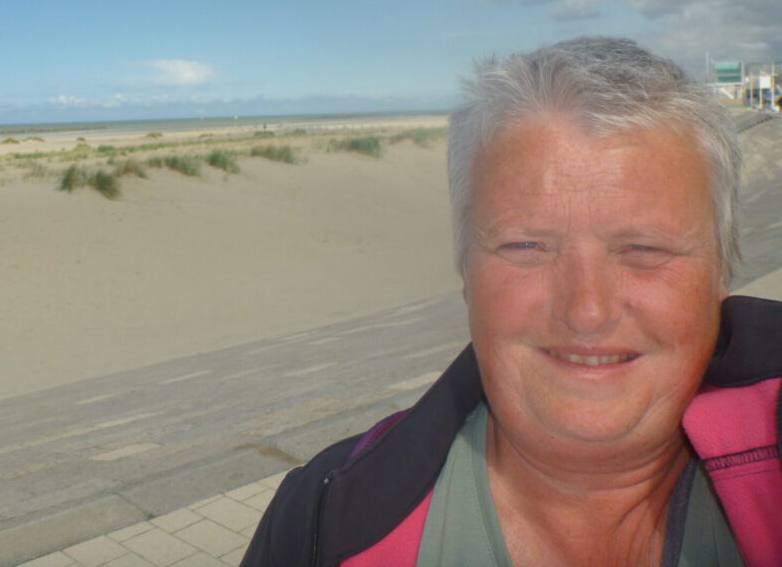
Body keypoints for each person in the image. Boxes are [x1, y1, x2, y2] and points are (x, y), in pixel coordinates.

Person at [241, 38, 782, 567]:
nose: (587, 311)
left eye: (644, 248)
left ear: (721, 274)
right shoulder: (324, 515)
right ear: (466, 277)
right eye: (526, 246)